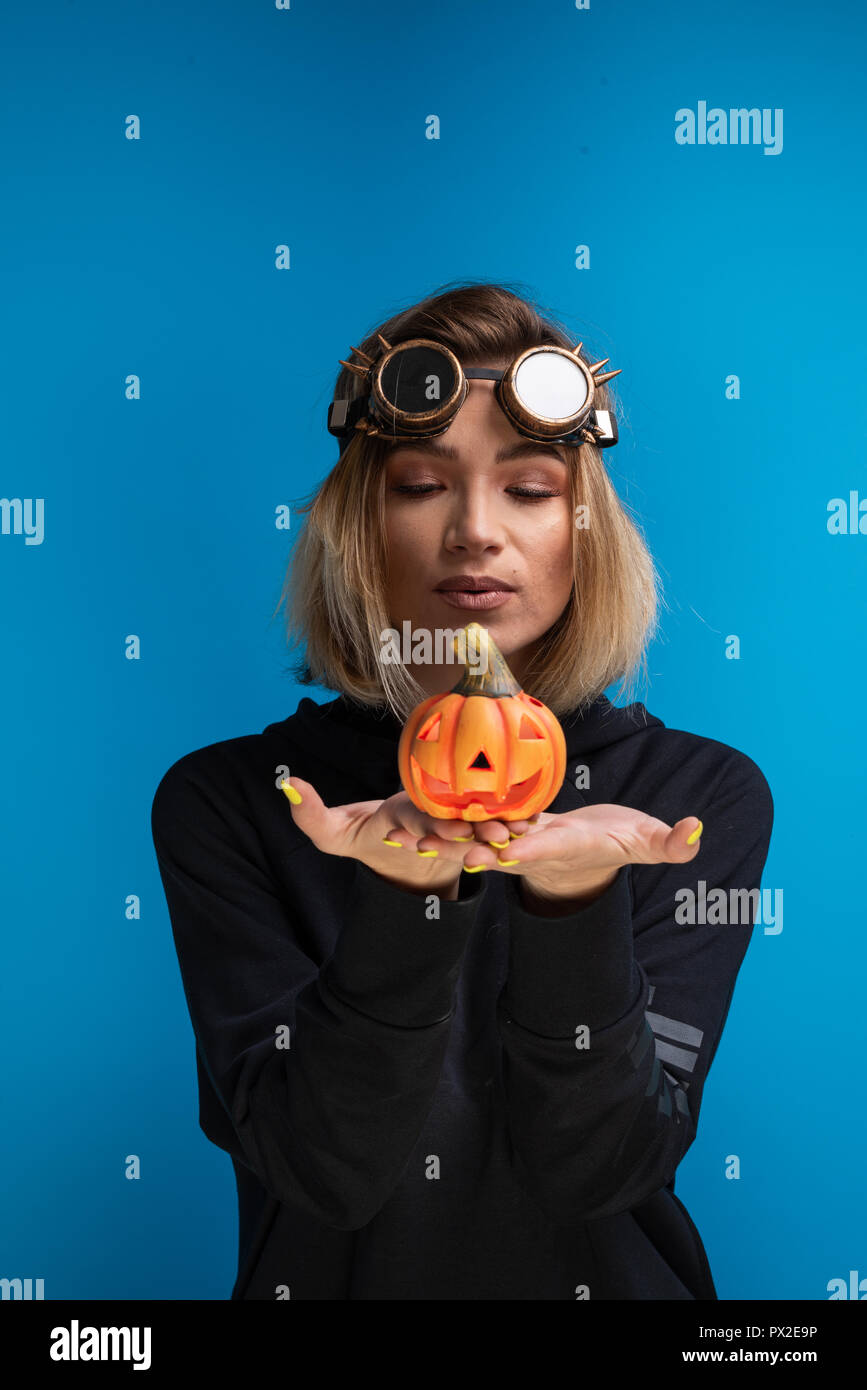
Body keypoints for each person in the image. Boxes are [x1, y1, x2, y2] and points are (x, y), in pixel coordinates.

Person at [150, 281, 774, 1300]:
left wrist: (574, 905)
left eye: (528, 489)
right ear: (360, 526)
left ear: (583, 528)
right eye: (420, 485)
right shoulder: (233, 802)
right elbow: (327, 1171)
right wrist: (407, 896)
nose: (475, 531)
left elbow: (604, 1167)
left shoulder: (693, 800)